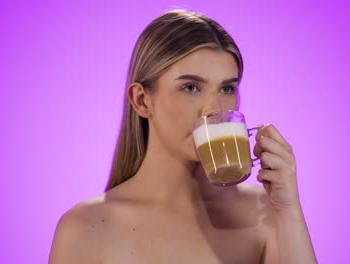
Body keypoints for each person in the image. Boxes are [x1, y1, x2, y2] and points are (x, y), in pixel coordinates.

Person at [49, 9, 317, 264]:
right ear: (141, 100)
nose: (216, 108)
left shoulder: (266, 212)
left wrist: (289, 209)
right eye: (191, 87)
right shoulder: (85, 228)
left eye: (227, 88)